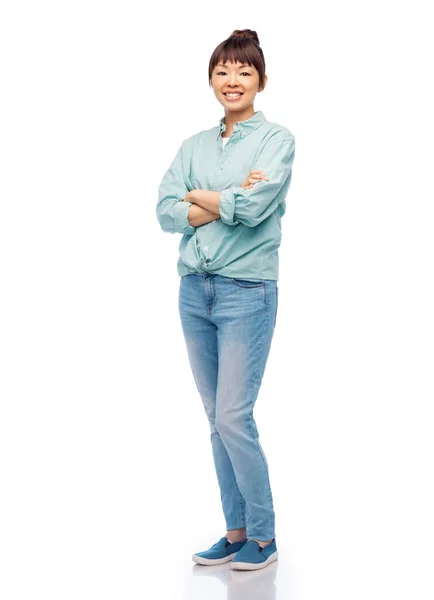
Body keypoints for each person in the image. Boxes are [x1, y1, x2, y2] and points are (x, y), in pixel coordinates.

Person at [156, 29, 296, 571]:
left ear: (261, 80)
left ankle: (263, 535)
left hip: (247, 291)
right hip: (195, 291)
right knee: (215, 418)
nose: (232, 80)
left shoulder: (277, 140)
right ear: (211, 79)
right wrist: (225, 199)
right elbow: (166, 212)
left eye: (243, 71)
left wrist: (202, 196)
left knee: (235, 415)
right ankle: (235, 531)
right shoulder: (192, 145)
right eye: (222, 71)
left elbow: (258, 208)